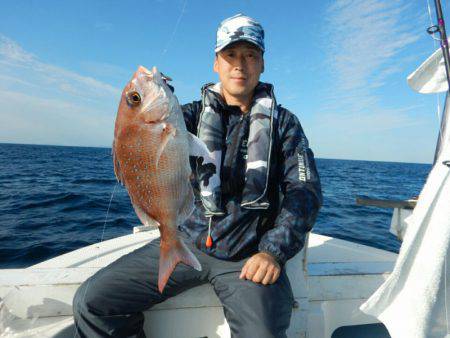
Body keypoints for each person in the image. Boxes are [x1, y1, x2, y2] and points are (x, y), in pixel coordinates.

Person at [72, 13, 322, 338]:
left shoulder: (284, 125)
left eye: (250, 56)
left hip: (247, 255)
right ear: (216, 63)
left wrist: (272, 251)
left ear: (262, 64)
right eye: (230, 55)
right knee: (92, 302)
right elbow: (140, 143)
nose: (240, 65)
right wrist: (156, 96)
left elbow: (304, 192)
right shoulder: (186, 116)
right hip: (183, 237)